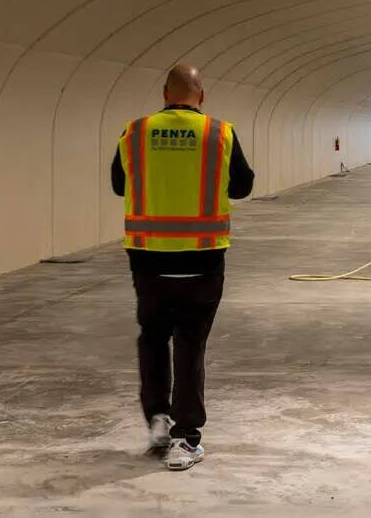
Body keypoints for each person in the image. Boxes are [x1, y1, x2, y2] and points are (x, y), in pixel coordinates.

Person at [110, 63, 255, 470]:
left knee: (153, 336)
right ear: (202, 96)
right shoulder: (219, 133)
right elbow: (243, 186)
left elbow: (120, 185)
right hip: (202, 258)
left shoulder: (135, 132)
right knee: (190, 344)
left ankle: (158, 417)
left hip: (148, 259)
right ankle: (186, 439)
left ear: (164, 93)